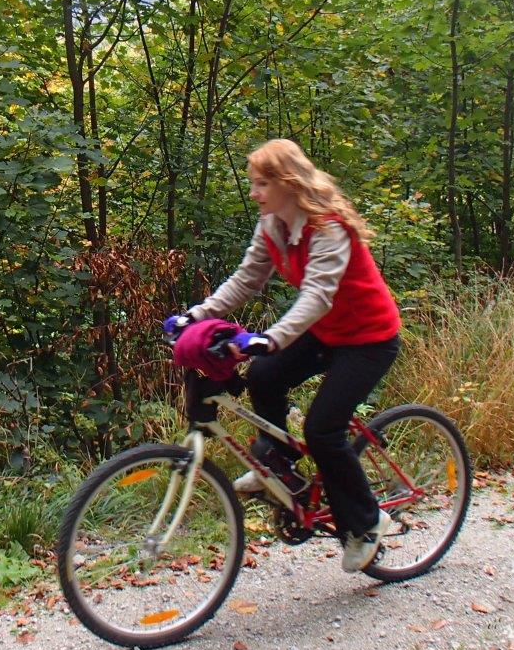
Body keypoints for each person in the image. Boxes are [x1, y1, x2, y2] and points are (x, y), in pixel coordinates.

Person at [166, 139, 401, 573]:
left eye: (261, 183)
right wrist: (196, 315)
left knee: (323, 429)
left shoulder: (329, 229)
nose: (254, 192)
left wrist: (271, 337)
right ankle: (280, 466)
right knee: (264, 376)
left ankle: (368, 524)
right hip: (326, 333)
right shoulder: (271, 223)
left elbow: (317, 296)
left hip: (368, 338)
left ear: (287, 183)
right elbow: (247, 279)